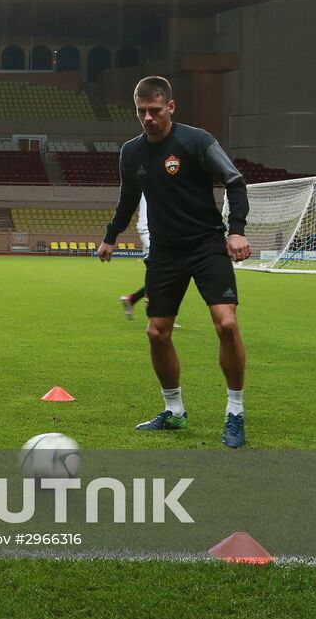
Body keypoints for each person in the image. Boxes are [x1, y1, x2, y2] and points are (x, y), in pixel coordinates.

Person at [97, 76, 251, 449]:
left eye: (154, 110)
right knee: (156, 332)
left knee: (227, 324)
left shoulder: (195, 141)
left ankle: (235, 411)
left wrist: (236, 230)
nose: (148, 118)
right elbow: (128, 198)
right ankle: (175, 411)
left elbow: (234, 180)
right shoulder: (131, 152)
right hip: (165, 252)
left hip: (205, 244)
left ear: (170, 106)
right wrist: (110, 236)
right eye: (141, 111)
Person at [119, 195, 149, 320]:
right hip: (152, 232)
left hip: (149, 231)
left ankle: (132, 299)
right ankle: (158, 316)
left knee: (164, 275)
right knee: (166, 274)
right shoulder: (155, 180)